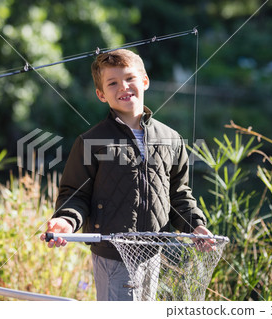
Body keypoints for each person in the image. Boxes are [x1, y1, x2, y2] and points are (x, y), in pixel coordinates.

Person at [40, 49, 214, 301]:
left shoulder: (172, 139)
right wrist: (65, 221)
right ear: (101, 94)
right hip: (112, 255)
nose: (123, 86)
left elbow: (179, 195)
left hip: (153, 253)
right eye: (112, 83)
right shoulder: (91, 141)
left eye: (130, 78)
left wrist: (195, 225)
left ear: (144, 81)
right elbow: (74, 195)